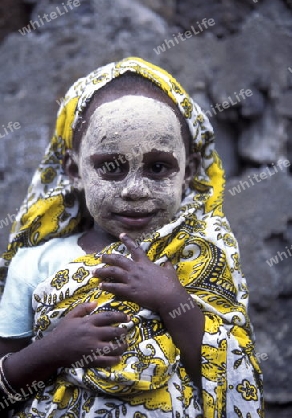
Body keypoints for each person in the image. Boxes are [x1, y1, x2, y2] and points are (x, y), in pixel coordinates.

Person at [0, 57, 263, 417]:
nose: (135, 190)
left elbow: (233, 372)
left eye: (158, 168)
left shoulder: (198, 256)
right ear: (74, 171)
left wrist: (170, 297)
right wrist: (54, 350)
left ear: (189, 172)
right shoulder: (34, 263)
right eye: (111, 167)